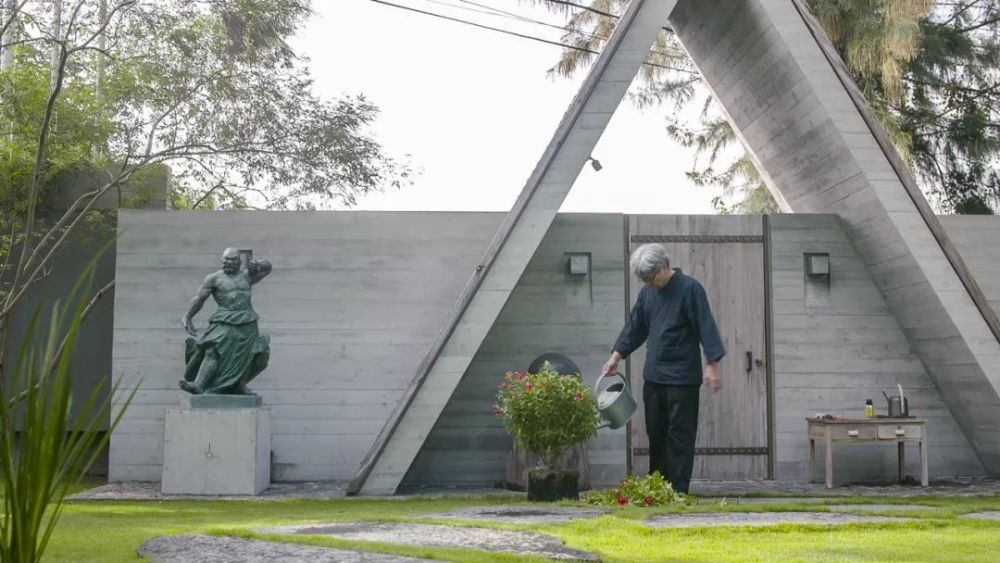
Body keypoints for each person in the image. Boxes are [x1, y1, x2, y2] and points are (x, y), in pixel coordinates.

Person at [602, 243, 724, 494]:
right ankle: (658, 486)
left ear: (664, 267)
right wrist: (616, 357)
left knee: (679, 435)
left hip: (682, 378)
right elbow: (635, 326)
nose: (648, 283)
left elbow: (705, 326)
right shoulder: (648, 294)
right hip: (654, 376)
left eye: (650, 277)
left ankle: (678, 490)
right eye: (643, 279)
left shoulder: (690, 289)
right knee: (656, 434)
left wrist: (712, 365)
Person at [180, 247, 272, 395]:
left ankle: (240, 385)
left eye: (233, 260)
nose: (229, 263)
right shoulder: (214, 279)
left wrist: (259, 264)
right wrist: (188, 316)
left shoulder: (247, 276)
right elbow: (199, 298)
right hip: (224, 320)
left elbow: (268, 268)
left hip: (247, 322)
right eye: (226, 260)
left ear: (239, 262)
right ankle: (198, 384)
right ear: (221, 260)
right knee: (212, 350)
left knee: (248, 355)